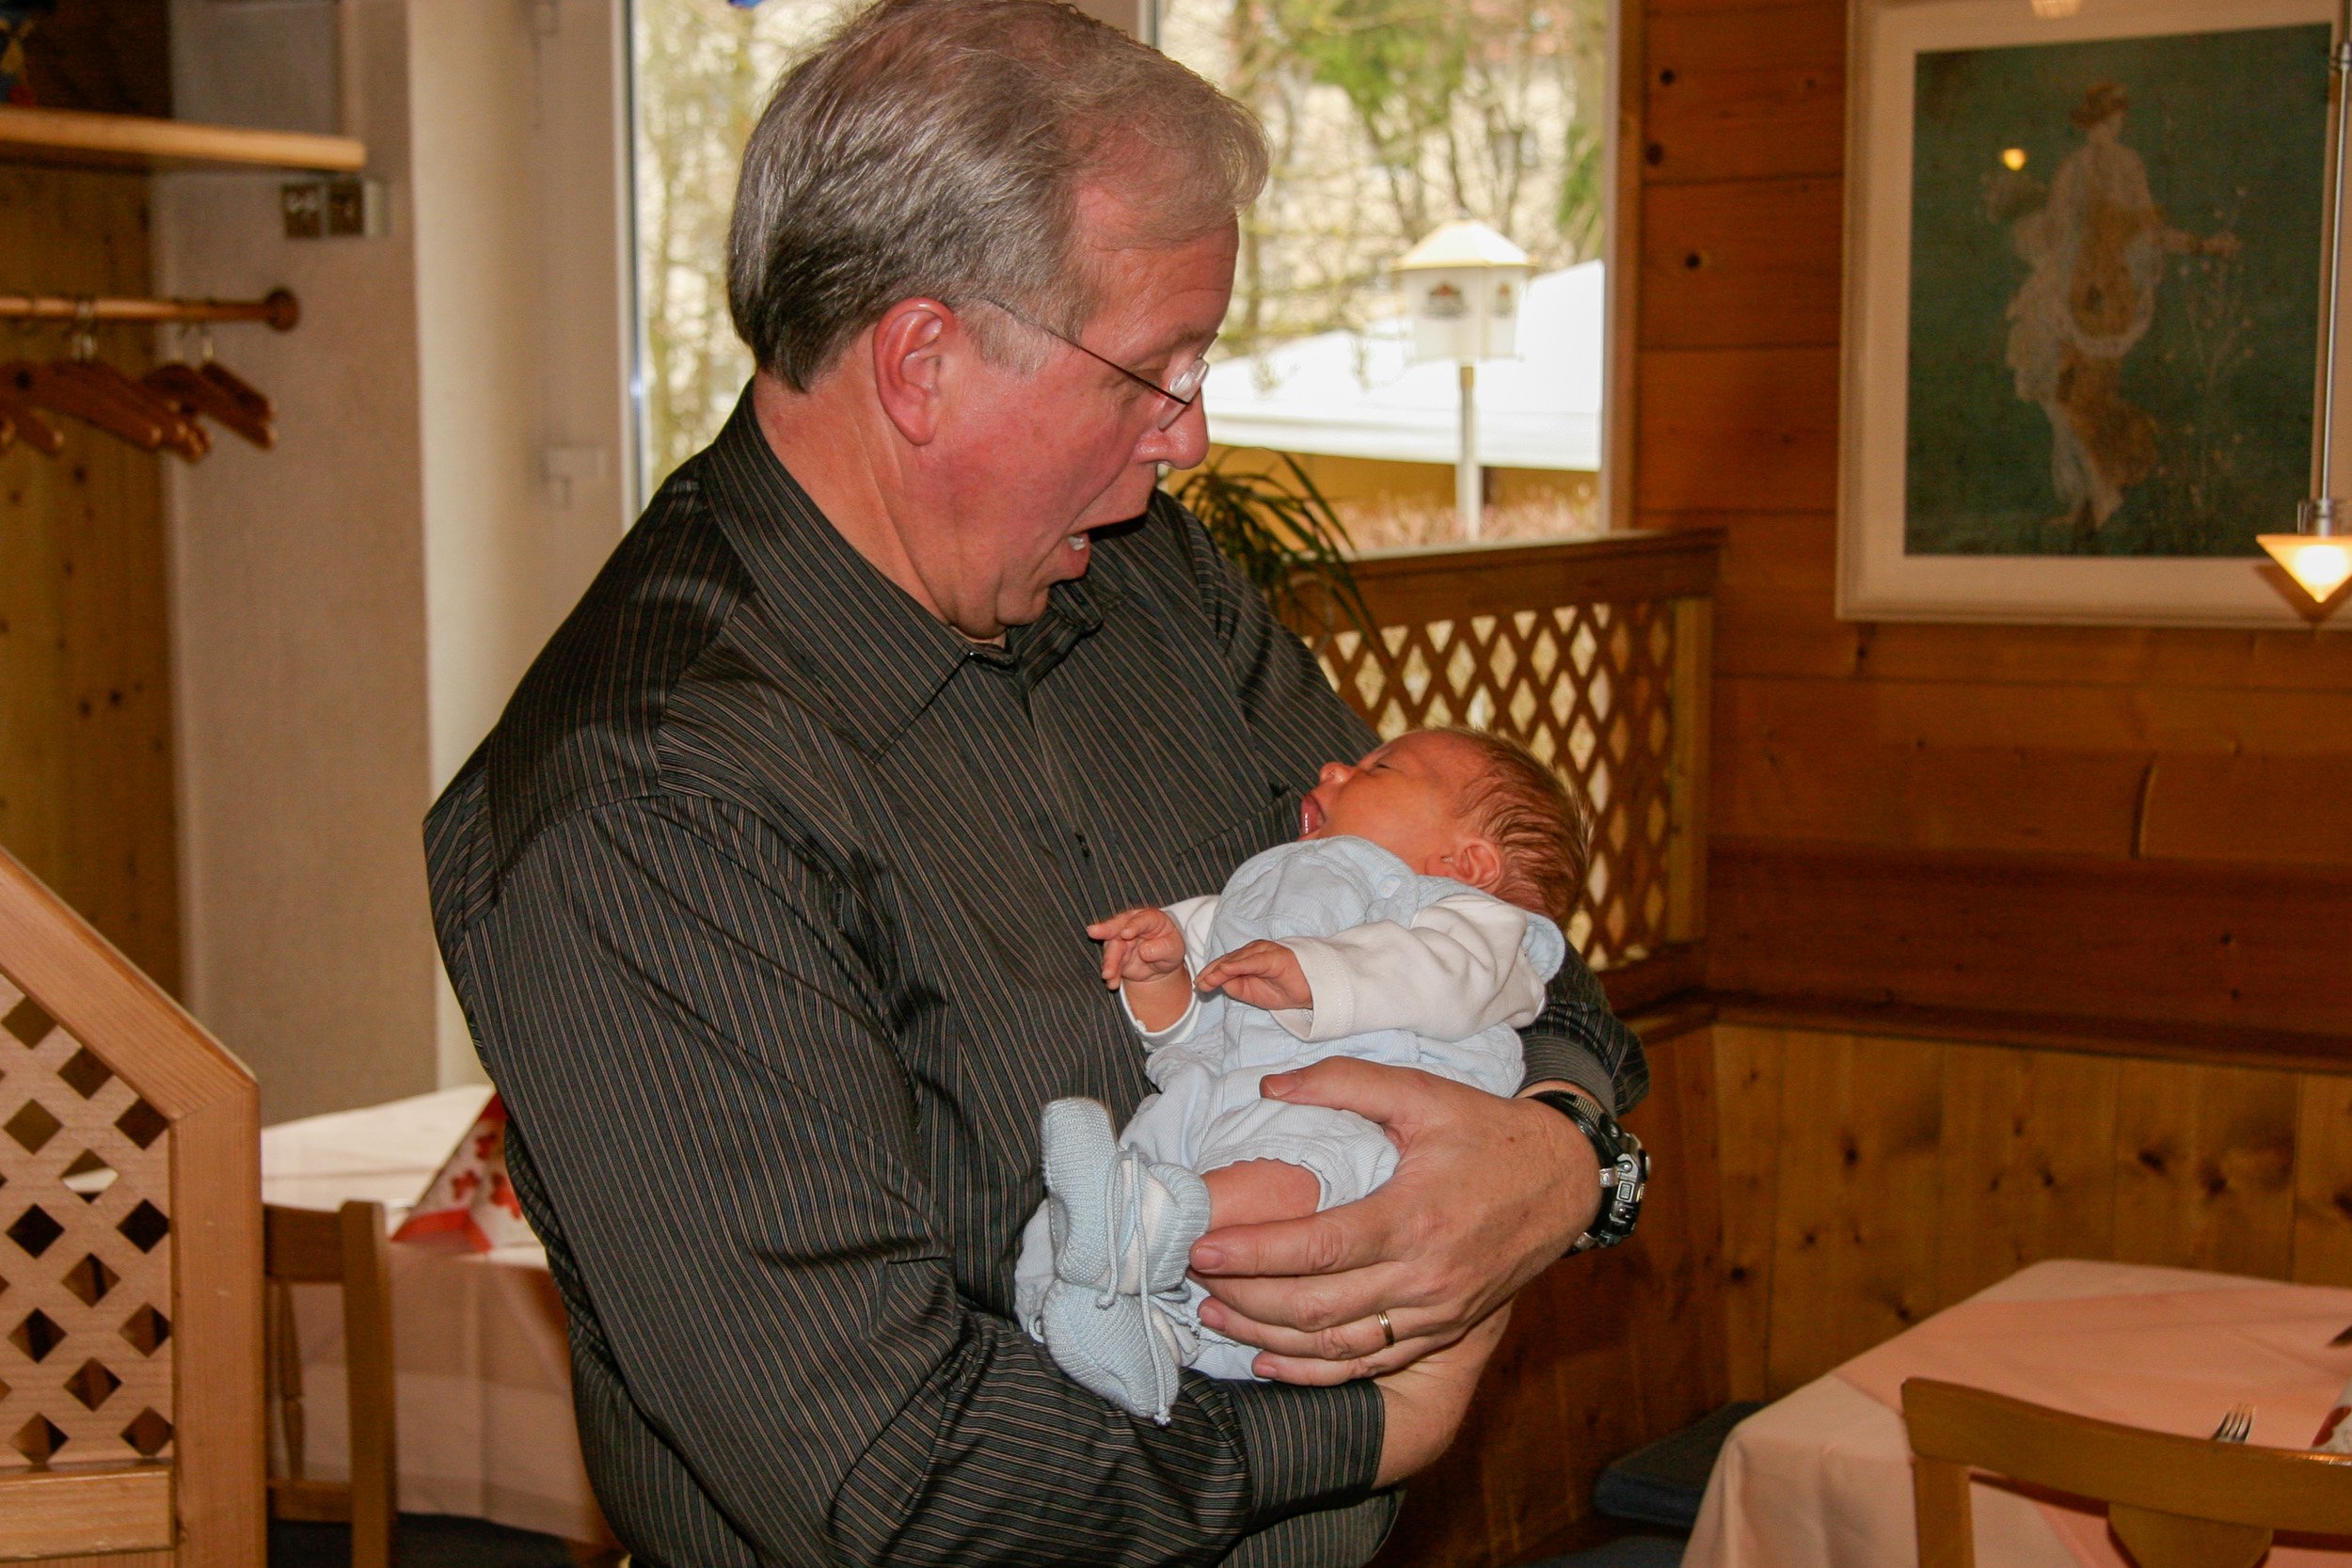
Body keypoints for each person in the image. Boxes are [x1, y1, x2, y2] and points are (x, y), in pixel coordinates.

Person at [422, 2, 1645, 1564]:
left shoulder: (1147, 584)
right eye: (1156, 368)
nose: (1192, 438)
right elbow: (888, 1477)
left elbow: (1496, 926)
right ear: (924, 360)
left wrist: (1559, 1153)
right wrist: (1362, 1423)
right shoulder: (644, 809)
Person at [1017, 728, 1586, 1423]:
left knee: (1295, 1168)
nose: (1333, 766)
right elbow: (1208, 1014)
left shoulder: (1473, 923)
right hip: (1229, 1099)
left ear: (1467, 861)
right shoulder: (1276, 880)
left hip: (1366, 1110)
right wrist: (1165, 973)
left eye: (1382, 768)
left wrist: (1317, 971)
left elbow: (1442, 975)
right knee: (1091, 1196)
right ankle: (1114, 1319)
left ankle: (1140, 1228)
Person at [1999, 81, 2238, 544]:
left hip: (2106, 299)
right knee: (2059, 395)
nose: (2114, 124)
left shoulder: (2127, 167)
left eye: (2117, 116)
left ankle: (2102, 493)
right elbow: (2057, 234)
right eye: (2107, 117)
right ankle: (2089, 498)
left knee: (2082, 399)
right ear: (2092, 123)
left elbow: (2148, 229)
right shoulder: (2076, 170)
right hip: (2074, 292)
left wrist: (2202, 245)